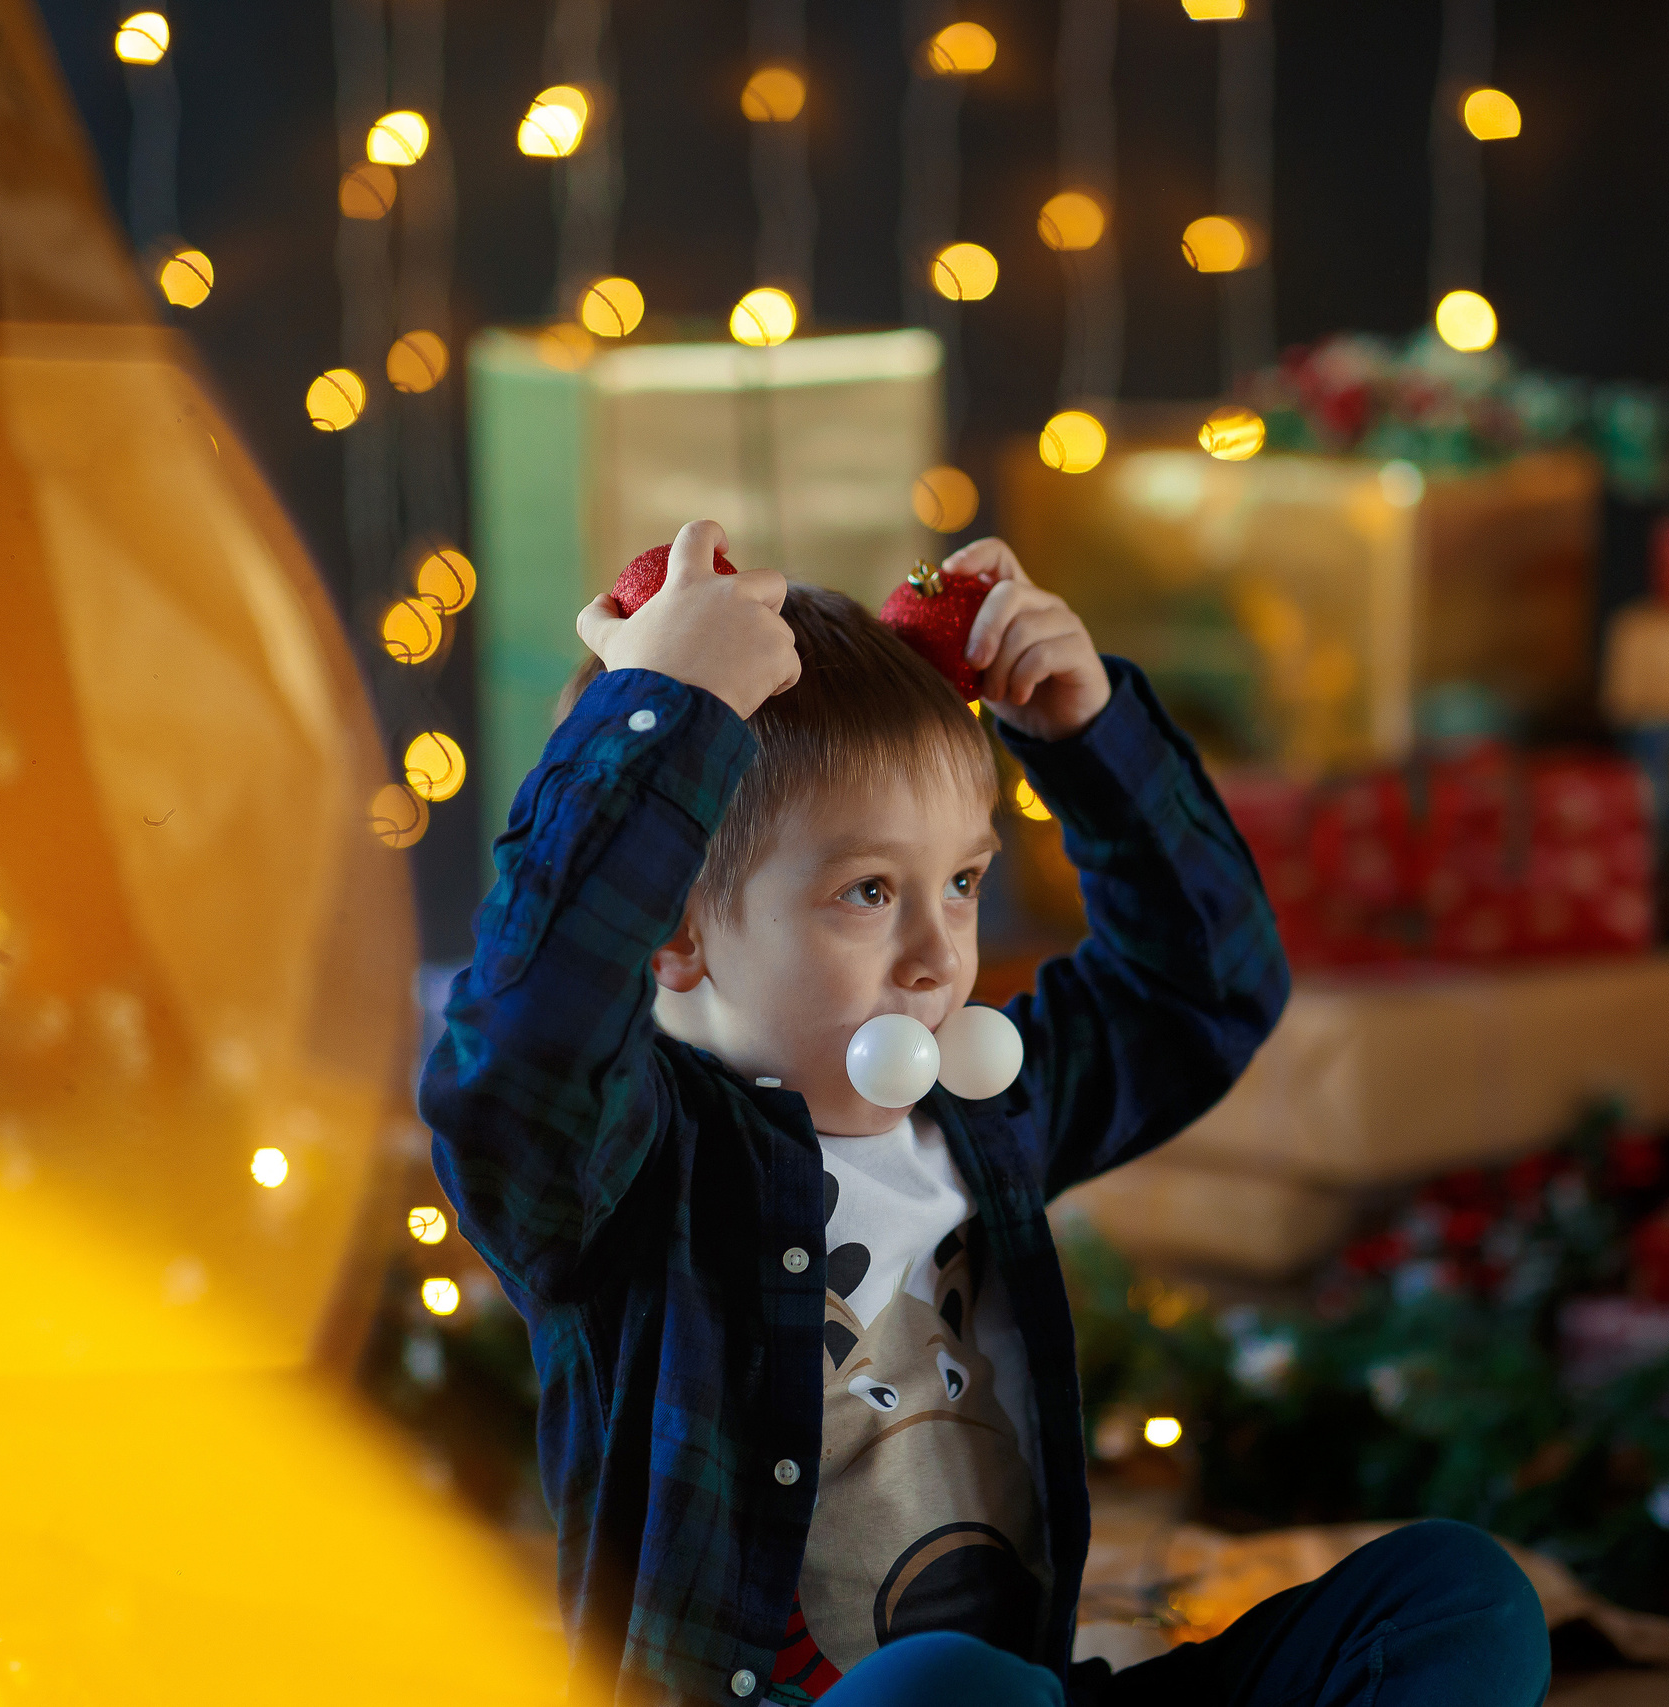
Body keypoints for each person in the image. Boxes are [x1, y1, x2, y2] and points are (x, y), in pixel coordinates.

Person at [420, 519, 1551, 1706]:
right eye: (867, 891)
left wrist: (1086, 739)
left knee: (1457, 1598)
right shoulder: (630, 1168)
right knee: (949, 1687)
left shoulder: (983, 1114)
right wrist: (664, 716)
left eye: (960, 882)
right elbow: (513, 1061)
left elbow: (1205, 993)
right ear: (676, 930)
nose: (937, 955)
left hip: (1028, 1693)